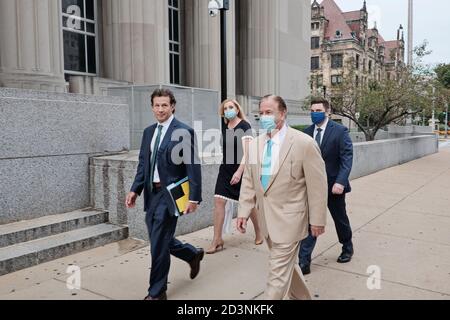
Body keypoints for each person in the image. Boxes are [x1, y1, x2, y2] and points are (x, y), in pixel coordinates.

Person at [237, 95, 328, 300]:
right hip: (267, 220)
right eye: (261, 113)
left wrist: (318, 219)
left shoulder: (304, 143)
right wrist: (243, 211)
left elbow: (318, 186)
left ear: (283, 113)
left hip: (291, 220)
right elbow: (249, 181)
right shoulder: (254, 145)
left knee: (276, 277)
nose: (264, 117)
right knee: (286, 267)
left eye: (269, 112)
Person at [125, 89, 204, 301]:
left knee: (158, 242)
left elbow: (192, 166)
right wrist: (135, 189)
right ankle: (191, 253)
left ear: (172, 106)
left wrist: (194, 197)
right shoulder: (149, 132)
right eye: (157, 105)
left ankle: (157, 291)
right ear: (152, 107)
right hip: (152, 193)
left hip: (171, 194)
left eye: (164, 105)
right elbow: (144, 163)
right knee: (158, 238)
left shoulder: (183, 132)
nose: (160, 109)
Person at [299, 97, 354, 275]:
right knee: (310, 222)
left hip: (333, 187)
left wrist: (340, 181)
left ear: (328, 111)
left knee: (340, 219)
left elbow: (347, 158)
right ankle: (304, 261)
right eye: (312, 110)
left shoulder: (340, 131)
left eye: (318, 110)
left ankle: (347, 246)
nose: (315, 113)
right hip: (312, 188)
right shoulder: (306, 133)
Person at [207, 100, 263, 254]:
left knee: (247, 204)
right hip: (225, 169)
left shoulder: (244, 126)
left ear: (237, 109)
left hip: (242, 170)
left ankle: (259, 231)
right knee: (218, 201)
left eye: (231, 107)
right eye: (225, 108)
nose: (228, 110)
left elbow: (248, 152)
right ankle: (217, 239)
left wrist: (239, 172)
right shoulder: (225, 127)